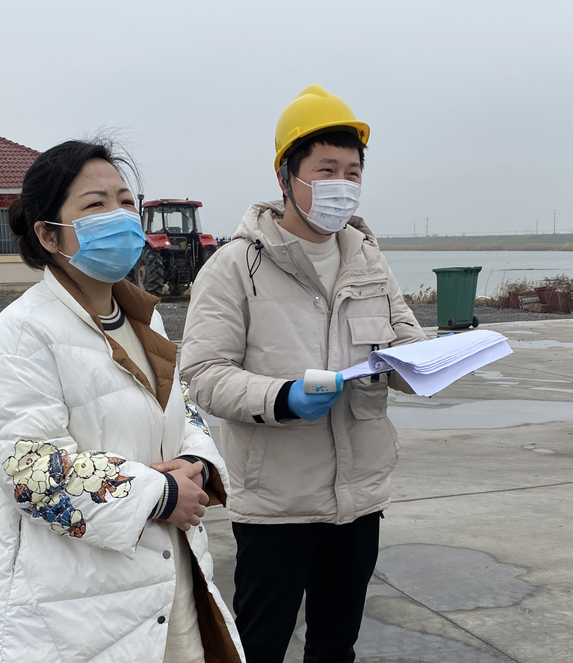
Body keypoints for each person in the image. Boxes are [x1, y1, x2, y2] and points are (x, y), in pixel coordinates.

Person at [179, 85, 428, 663]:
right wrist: (282, 397)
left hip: (359, 497)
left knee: (336, 647)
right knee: (259, 648)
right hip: (277, 503)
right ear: (285, 176)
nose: (343, 184)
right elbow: (202, 373)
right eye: (326, 170)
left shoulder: (368, 259)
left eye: (353, 172)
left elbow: (406, 340)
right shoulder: (235, 266)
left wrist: (427, 364)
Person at [0, 139, 244, 663]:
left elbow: (179, 406)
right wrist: (160, 493)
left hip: (170, 586)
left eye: (124, 202)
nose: (118, 216)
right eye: (95, 205)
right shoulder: (21, 335)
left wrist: (195, 464)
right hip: (79, 613)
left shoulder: (146, 318)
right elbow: (31, 473)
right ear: (49, 234)